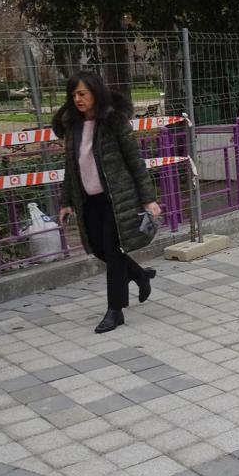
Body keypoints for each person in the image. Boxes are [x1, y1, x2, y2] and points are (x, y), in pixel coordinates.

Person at [54, 71, 162, 333]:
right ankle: (138, 275)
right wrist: (67, 201)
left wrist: (148, 199)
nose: (77, 99)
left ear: (95, 93)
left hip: (117, 198)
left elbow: (135, 161)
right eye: (73, 95)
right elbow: (71, 166)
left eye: (82, 93)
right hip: (88, 199)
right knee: (98, 248)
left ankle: (115, 310)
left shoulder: (113, 120)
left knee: (113, 252)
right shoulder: (73, 125)